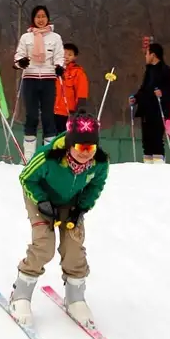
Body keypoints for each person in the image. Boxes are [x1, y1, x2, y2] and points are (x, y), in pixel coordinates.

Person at [8, 111, 109, 326]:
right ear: (70, 144)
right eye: (80, 147)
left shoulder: (99, 163)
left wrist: (81, 208)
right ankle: (21, 294)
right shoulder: (48, 156)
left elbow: (95, 186)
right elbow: (26, 178)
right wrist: (42, 201)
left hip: (71, 202)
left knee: (73, 247)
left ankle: (75, 298)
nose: (85, 153)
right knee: (44, 245)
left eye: (90, 148)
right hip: (40, 198)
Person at [14, 5, 65, 161]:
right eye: (38, 17)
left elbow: (59, 57)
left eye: (43, 16)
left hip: (49, 79)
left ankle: (49, 154)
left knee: (48, 116)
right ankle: (29, 155)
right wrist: (20, 63)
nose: (41, 20)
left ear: (48, 18)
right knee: (32, 115)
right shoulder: (26, 37)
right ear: (33, 19)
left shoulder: (55, 37)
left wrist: (59, 67)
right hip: (30, 78)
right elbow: (18, 57)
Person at [129, 42, 170, 163]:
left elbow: (169, 90)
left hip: (158, 110)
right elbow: (144, 89)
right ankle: (147, 165)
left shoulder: (165, 70)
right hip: (146, 110)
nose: (146, 56)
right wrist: (136, 98)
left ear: (153, 55)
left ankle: (158, 166)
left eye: (147, 54)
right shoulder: (148, 70)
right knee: (147, 141)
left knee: (157, 140)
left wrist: (162, 93)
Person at [54, 42, 89, 133]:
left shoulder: (78, 73)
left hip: (67, 112)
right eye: (64, 53)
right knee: (49, 138)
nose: (66, 56)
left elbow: (81, 92)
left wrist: (80, 110)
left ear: (74, 57)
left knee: (64, 139)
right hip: (52, 111)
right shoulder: (53, 69)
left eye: (70, 55)